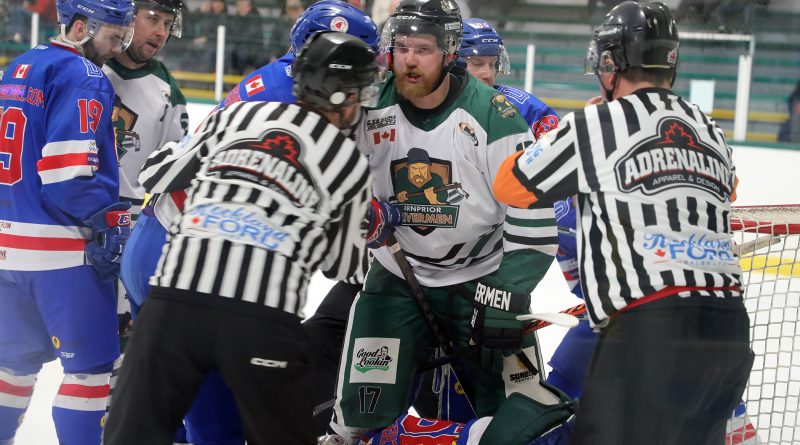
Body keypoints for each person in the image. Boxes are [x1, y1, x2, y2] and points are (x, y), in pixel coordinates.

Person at [493, 3, 754, 445]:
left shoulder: (595, 123)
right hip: (729, 329)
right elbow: (728, 189)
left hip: (650, 327)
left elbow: (509, 186)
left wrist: (569, 141)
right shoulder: (708, 127)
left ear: (610, 60)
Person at [103, 30, 380, 445]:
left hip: (171, 303)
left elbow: (156, 171)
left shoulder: (237, 116)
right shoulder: (347, 161)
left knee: (132, 436)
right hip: (260, 318)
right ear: (343, 97)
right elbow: (343, 265)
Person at [329, 0, 573, 443]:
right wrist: (357, 209)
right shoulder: (369, 106)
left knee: (524, 409)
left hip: (483, 278)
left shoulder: (494, 117)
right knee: (361, 410)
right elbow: (328, 171)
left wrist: (508, 292)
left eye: (422, 48)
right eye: (401, 46)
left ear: (448, 52)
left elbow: (534, 217)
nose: (408, 59)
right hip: (396, 275)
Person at [0, 0, 135, 442]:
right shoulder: (84, 75)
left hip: (6, 247)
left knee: (12, 368)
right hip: (60, 254)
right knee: (91, 372)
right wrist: (107, 218)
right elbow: (66, 176)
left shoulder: (20, 65)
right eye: (113, 36)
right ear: (80, 27)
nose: (117, 48)